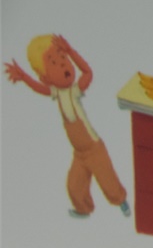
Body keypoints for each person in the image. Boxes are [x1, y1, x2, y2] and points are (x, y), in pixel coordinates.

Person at [4, 34, 130, 218]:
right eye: (53, 63)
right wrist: (24, 77)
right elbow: (40, 88)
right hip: (79, 154)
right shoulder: (56, 92)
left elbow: (88, 73)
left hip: (94, 149)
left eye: (63, 59)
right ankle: (84, 209)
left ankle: (121, 202)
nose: (62, 64)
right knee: (74, 186)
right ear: (46, 77)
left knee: (108, 183)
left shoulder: (75, 91)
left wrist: (71, 51)